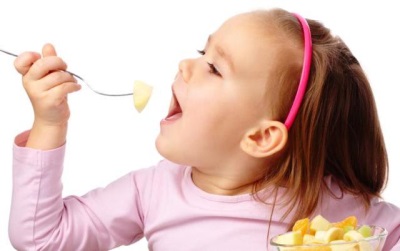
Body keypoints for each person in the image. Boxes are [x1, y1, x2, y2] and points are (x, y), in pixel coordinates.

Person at [8, 8, 400, 251]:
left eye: (214, 68)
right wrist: (49, 123)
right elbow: (42, 240)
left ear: (262, 136)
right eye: (202, 52)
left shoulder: (339, 214)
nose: (185, 64)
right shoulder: (151, 192)